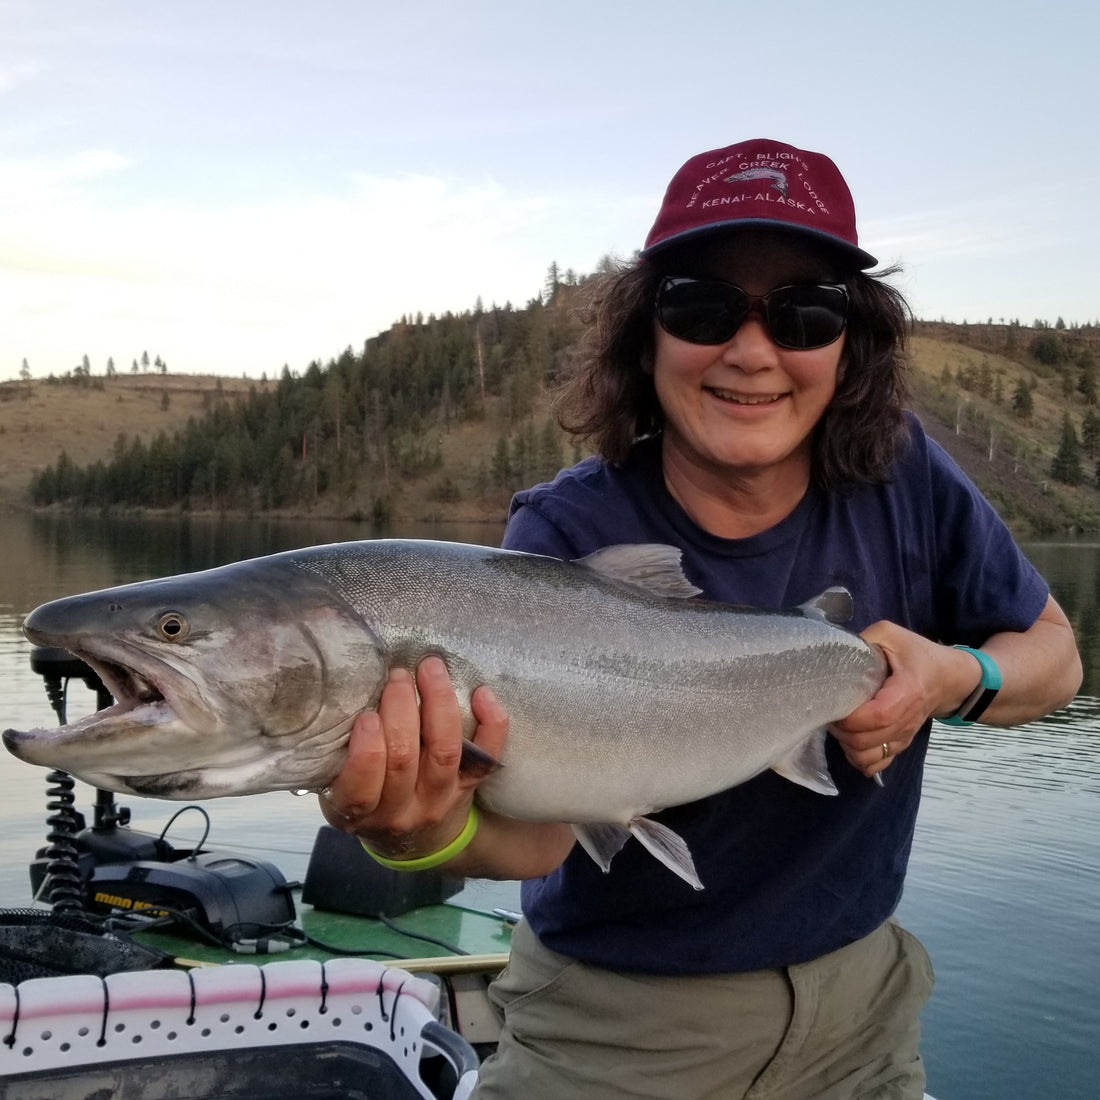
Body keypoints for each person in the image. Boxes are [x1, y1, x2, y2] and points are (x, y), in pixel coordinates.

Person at [320, 138, 1082, 1099]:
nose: (752, 350)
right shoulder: (566, 529)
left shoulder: (906, 473)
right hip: (618, 1037)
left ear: (851, 346)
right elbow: (544, 839)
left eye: (806, 312)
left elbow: (1055, 656)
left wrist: (954, 677)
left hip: (867, 1023)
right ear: (649, 334)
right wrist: (412, 835)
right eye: (702, 305)